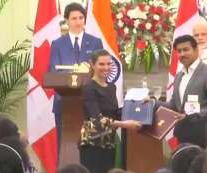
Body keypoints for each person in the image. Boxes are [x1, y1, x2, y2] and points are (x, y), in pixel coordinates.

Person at [48, 2, 103, 151]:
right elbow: (53, 72)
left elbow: (101, 71)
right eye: (74, 18)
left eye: (81, 18)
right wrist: (75, 72)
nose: (78, 22)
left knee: (90, 150)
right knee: (65, 148)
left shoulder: (95, 42)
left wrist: (88, 71)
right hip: (64, 104)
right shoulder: (57, 44)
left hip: (90, 104)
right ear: (66, 20)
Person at [79, 49, 141, 173]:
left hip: (109, 141)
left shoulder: (111, 87)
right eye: (101, 64)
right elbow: (98, 119)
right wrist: (125, 124)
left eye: (109, 64)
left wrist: (138, 105)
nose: (106, 67)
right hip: (93, 143)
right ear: (92, 64)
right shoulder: (88, 87)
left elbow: (116, 112)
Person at [159, 35, 207, 142]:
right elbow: (174, 105)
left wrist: (195, 115)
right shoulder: (179, 76)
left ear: (196, 50)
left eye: (186, 50)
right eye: (179, 51)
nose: (182, 54)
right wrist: (153, 102)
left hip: (205, 136)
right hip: (183, 136)